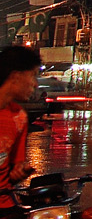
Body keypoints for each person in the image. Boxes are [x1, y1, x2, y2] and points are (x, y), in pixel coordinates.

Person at [0, 46, 40, 210]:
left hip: (7, 206)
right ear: (15, 77)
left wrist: (19, 173)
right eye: (32, 76)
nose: (35, 84)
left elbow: (10, 171)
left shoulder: (19, 117)